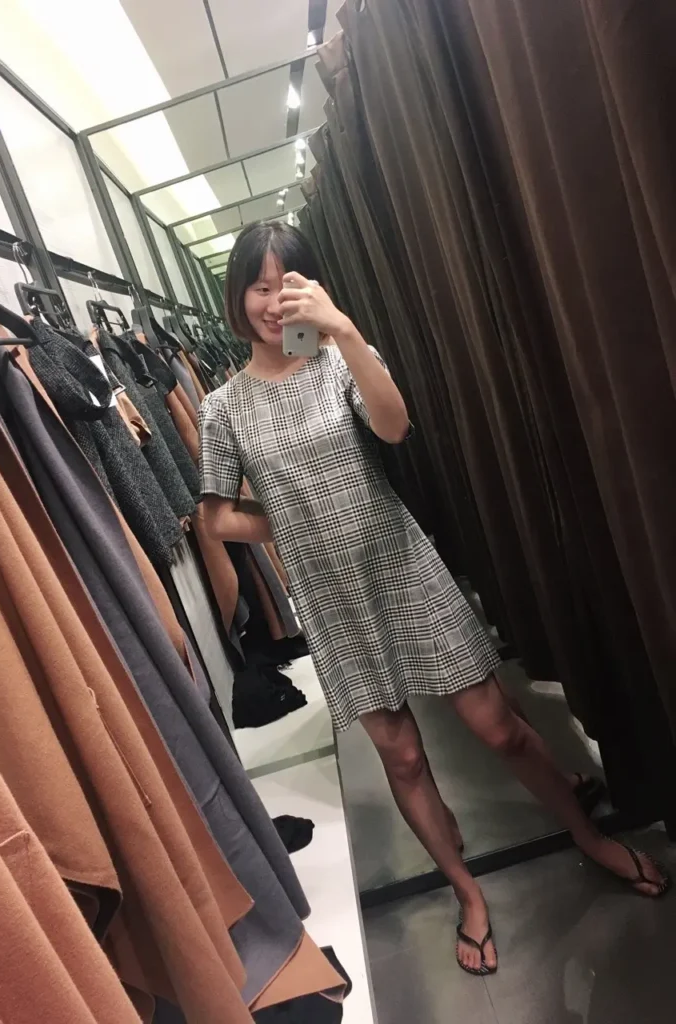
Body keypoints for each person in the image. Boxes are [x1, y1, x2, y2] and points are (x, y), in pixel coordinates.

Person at [199, 221, 670, 976]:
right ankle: (468, 894)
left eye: (289, 284)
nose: (274, 302)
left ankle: (588, 834)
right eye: (260, 286)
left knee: (499, 729)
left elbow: (394, 427)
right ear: (237, 295)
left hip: (402, 565)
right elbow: (216, 516)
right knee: (405, 759)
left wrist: (343, 329)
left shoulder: (339, 358)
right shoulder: (223, 407)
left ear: (313, 287)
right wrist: (287, 518)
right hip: (329, 597)